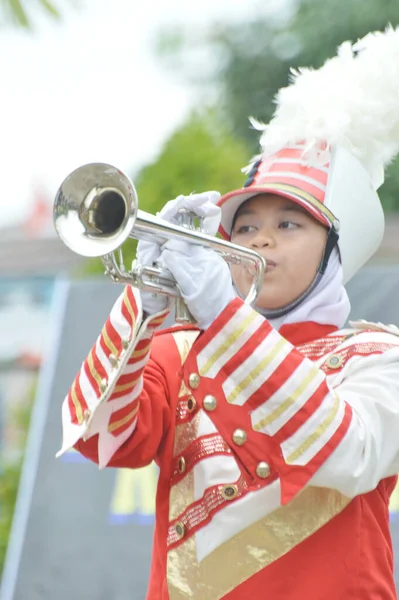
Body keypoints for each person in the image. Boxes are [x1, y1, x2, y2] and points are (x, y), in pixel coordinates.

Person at [57, 26, 399, 599]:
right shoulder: (184, 351)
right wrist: (141, 308)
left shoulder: (378, 355)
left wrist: (221, 312)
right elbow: (102, 438)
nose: (260, 242)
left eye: (287, 225)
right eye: (244, 227)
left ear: (333, 251)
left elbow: (349, 453)